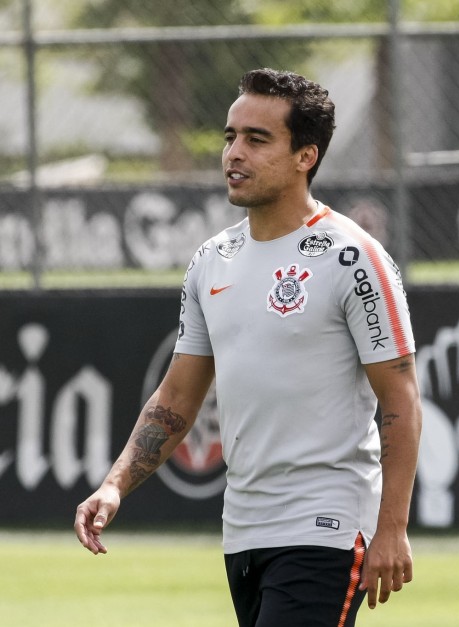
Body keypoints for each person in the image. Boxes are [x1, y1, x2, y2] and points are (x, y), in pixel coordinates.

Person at [75, 68, 422, 627]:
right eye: (231, 136)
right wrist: (115, 485)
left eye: (257, 140)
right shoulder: (213, 259)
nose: (234, 153)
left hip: (325, 526)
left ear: (305, 156)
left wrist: (392, 528)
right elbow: (178, 397)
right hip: (243, 530)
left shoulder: (353, 257)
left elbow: (400, 399)